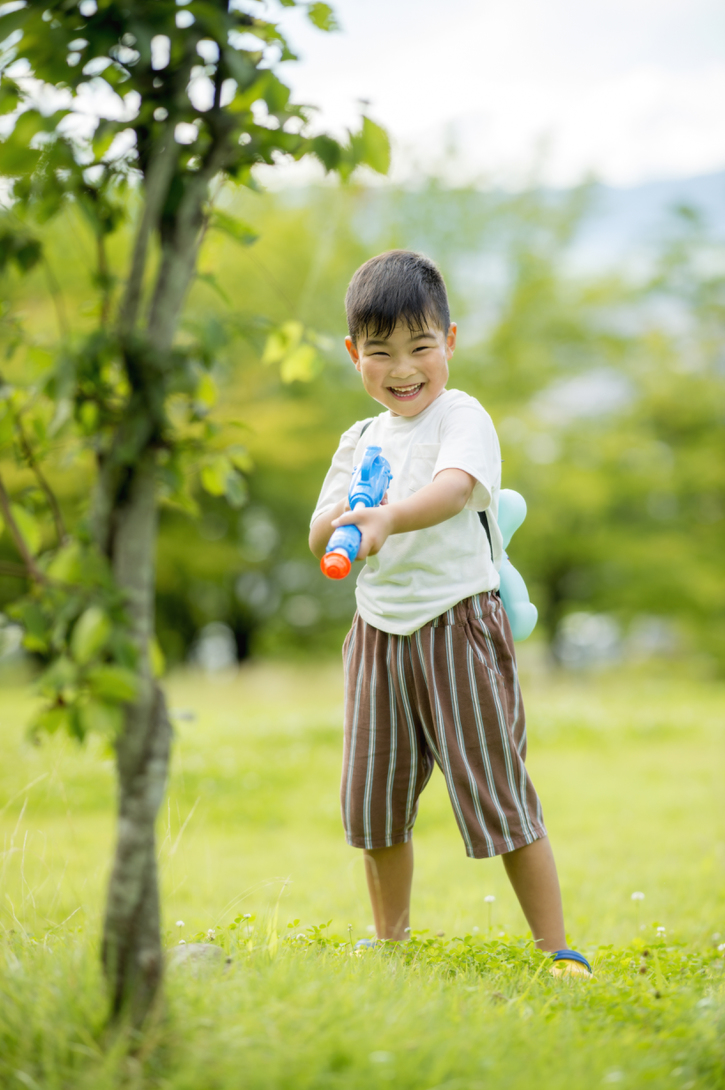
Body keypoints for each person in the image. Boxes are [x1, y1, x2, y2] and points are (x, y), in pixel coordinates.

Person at [308, 250, 591, 977]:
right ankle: (390, 942)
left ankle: (556, 948)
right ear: (353, 354)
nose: (403, 369)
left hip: (458, 625)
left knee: (497, 789)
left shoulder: (461, 416)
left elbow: (454, 488)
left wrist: (387, 517)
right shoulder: (358, 440)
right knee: (372, 802)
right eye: (380, 352)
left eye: (420, 347)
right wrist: (348, 517)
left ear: (450, 342)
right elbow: (318, 534)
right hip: (377, 634)